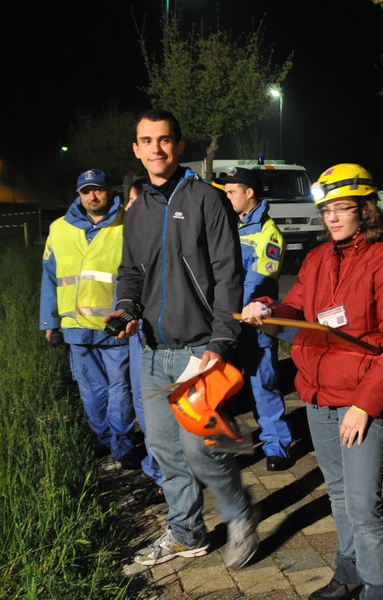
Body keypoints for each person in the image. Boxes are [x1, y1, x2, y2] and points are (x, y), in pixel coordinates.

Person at [242, 164, 383, 600]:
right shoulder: (319, 258)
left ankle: (377, 588)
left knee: (363, 503)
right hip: (318, 396)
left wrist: (365, 406)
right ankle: (349, 574)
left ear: (366, 210)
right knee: (338, 495)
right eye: (327, 210)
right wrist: (268, 308)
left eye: (343, 208)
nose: (333, 217)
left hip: (361, 402)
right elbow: (297, 308)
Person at [110, 109, 258, 570]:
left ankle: (240, 513)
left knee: (204, 447)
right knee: (166, 451)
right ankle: (186, 533)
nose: (156, 148)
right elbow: (131, 273)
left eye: (164, 139)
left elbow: (229, 276)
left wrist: (221, 341)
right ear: (136, 149)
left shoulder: (207, 200)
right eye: (146, 140)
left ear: (179, 146)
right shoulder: (136, 212)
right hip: (152, 351)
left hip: (200, 348)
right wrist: (126, 308)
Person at [40, 168, 142, 470]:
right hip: (75, 329)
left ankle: (122, 446)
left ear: (109, 191)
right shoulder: (59, 228)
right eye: (86, 191)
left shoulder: (128, 224)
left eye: (97, 189)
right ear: (78, 194)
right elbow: (49, 277)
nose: (92, 196)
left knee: (120, 389)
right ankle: (104, 439)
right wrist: (49, 322)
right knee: (91, 390)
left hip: (115, 327)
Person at [212, 168, 293, 471]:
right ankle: (228, 449)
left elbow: (258, 280)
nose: (227, 197)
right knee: (220, 387)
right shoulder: (227, 225)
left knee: (264, 385)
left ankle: (276, 447)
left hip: (255, 323)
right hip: (227, 320)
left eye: (231, 192)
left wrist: (232, 306)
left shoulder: (269, 233)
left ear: (249, 193)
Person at [122, 176, 164, 500]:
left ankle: (165, 478)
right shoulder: (133, 233)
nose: (128, 207)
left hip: (158, 335)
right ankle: (154, 470)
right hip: (138, 330)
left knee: (156, 410)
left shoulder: (161, 237)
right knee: (142, 404)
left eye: (134, 201)